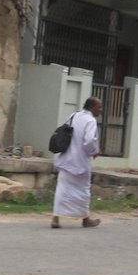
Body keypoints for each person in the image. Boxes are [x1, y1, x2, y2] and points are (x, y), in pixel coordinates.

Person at [51, 97, 103, 229]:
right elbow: (89, 140)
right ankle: (85, 219)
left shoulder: (73, 115)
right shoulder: (91, 120)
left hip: (66, 158)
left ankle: (55, 218)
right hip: (80, 161)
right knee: (84, 190)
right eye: (99, 107)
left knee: (62, 189)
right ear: (92, 107)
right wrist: (95, 151)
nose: (101, 110)